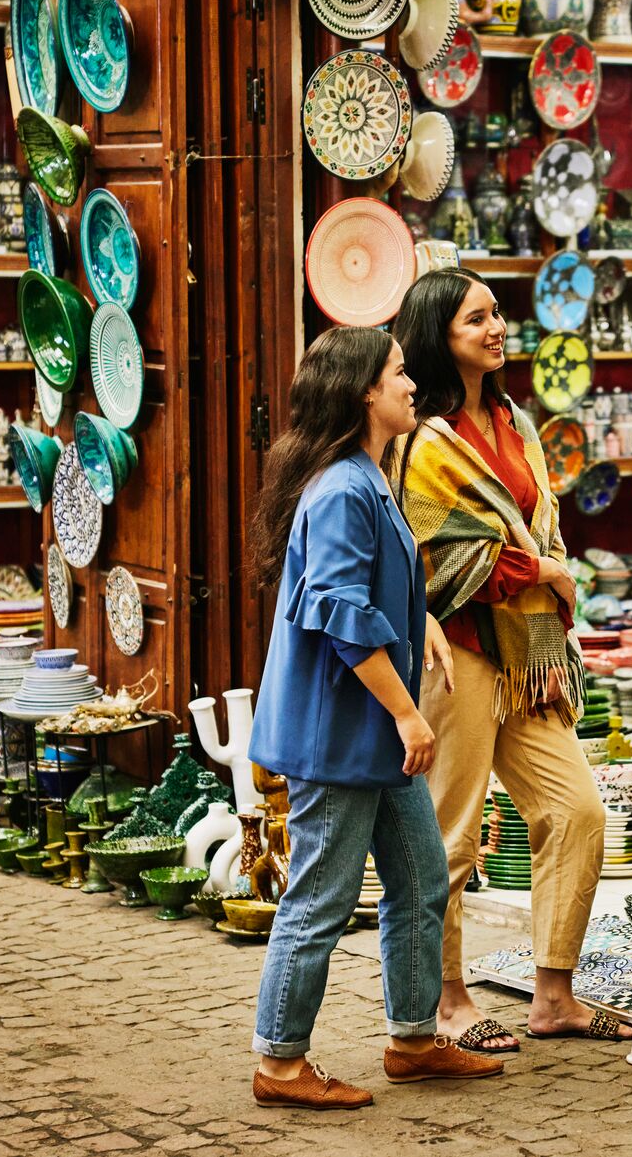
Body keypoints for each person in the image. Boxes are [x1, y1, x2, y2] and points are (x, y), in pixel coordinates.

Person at [244, 325, 503, 1109]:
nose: (409, 381)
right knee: (320, 896)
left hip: (370, 735)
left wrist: (418, 617)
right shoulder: (345, 487)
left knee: (422, 876)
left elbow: (374, 586)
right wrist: (409, 716)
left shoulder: (364, 474)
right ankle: (281, 1063)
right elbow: (339, 614)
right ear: (363, 390)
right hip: (344, 733)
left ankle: (414, 1038)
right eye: (396, 372)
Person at [394, 269, 628, 1053]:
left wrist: (545, 594)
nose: (497, 328)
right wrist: (542, 574)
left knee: (576, 810)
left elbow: (539, 529)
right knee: (450, 835)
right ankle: (448, 998)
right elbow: (437, 558)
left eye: (497, 314)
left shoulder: (515, 421)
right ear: (439, 336)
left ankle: (552, 994)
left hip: (526, 656)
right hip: (457, 653)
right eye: (476, 320)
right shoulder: (426, 442)